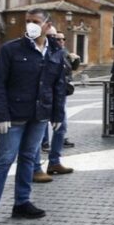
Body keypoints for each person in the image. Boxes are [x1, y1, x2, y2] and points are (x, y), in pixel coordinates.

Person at [0, 8, 67, 225]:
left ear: (47, 25)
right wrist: (0, 115)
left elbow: (58, 87)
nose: (30, 25)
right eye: (27, 21)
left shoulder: (55, 52)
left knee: (29, 159)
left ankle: (22, 202)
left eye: (35, 21)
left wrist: (57, 115)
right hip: (14, 116)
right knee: (4, 160)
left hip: (39, 116)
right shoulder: (11, 49)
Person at [32, 28, 76, 183]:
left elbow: (64, 73)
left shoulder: (59, 52)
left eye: (63, 39)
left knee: (61, 128)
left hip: (58, 96)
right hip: (42, 98)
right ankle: (35, 167)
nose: (61, 42)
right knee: (37, 133)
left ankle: (54, 162)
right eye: (57, 38)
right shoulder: (40, 52)